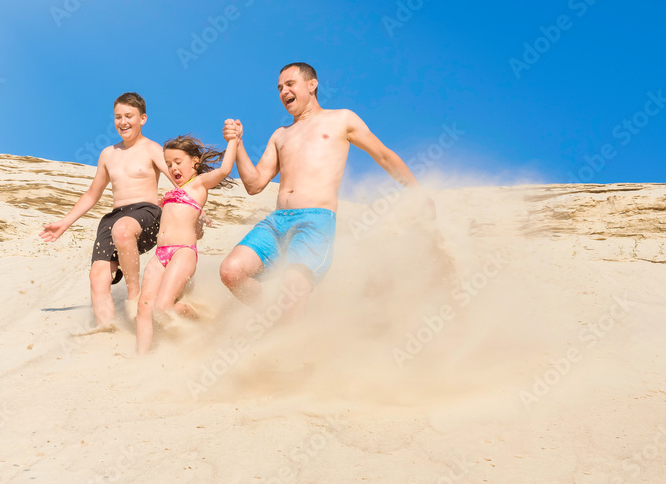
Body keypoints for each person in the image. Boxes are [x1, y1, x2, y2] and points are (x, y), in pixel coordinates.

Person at [220, 62, 434, 318]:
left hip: (315, 222)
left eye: (289, 84)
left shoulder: (341, 119)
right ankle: (268, 317)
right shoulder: (280, 134)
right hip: (277, 223)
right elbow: (254, 184)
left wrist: (416, 191)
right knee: (231, 272)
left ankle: (289, 350)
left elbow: (384, 156)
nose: (283, 92)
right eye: (279, 88)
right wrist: (238, 144)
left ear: (312, 85)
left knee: (292, 289)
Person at [40, 92, 176, 332]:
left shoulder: (152, 149)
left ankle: (134, 297)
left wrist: (193, 205)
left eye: (129, 116)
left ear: (142, 118)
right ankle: (106, 328)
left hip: (146, 213)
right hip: (114, 218)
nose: (123, 122)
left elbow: (177, 178)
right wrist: (64, 223)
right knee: (98, 275)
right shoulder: (108, 154)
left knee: (123, 229)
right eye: (118, 117)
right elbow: (93, 194)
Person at [135, 134, 237, 354]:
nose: (172, 168)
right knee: (144, 307)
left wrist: (234, 140)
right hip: (160, 254)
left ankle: (203, 321)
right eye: (169, 164)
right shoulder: (172, 193)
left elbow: (225, 170)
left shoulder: (199, 184)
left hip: (182, 252)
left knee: (162, 308)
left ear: (195, 162)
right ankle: (141, 356)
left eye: (178, 162)